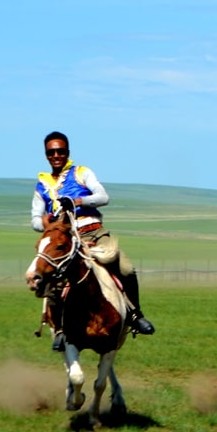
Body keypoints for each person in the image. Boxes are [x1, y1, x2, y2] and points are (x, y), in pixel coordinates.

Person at [27, 131, 155, 348]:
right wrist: (47, 222)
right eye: (51, 152)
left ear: (67, 152)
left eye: (60, 151)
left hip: (93, 232)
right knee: (54, 280)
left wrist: (77, 201)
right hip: (64, 239)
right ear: (46, 155)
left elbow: (103, 197)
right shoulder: (42, 185)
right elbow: (34, 220)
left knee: (125, 267)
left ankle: (135, 315)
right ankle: (59, 329)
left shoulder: (81, 173)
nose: (56, 155)